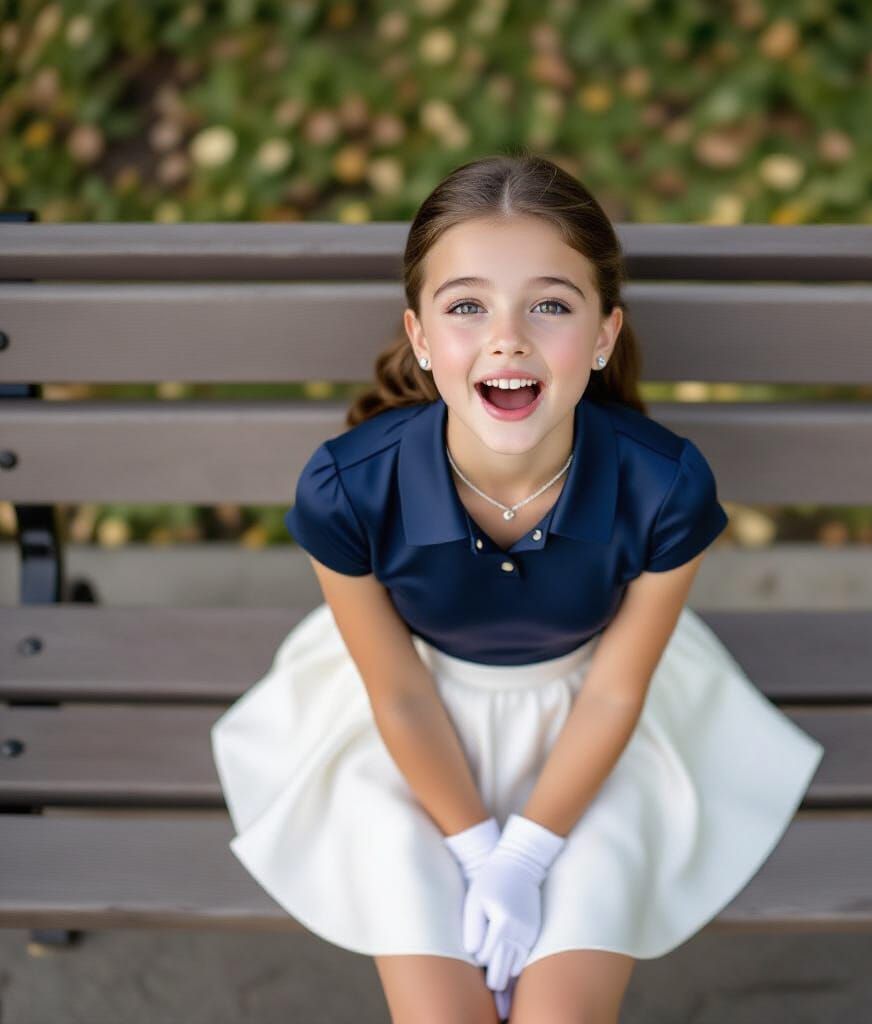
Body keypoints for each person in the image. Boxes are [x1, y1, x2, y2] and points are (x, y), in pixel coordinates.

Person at [210, 151, 825, 1024]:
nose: (508, 338)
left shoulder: (667, 484)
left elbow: (617, 690)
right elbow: (394, 686)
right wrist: (471, 844)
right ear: (421, 337)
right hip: (404, 731)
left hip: (605, 725)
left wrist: (526, 855)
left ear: (604, 334)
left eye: (550, 304)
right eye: (467, 306)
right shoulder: (347, 487)